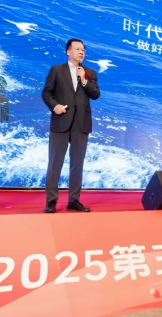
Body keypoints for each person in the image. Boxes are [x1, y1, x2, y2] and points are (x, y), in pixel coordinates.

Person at [41, 38, 100, 213]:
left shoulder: (90, 72)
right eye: (77, 49)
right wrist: (55, 106)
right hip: (61, 121)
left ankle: (74, 201)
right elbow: (46, 93)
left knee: (77, 164)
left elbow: (96, 94)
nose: (81, 52)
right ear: (68, 52)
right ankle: (51, 201)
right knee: (55, 163)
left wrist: (84, 80)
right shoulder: (57, 70)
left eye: (83, 50)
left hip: (81, 124)